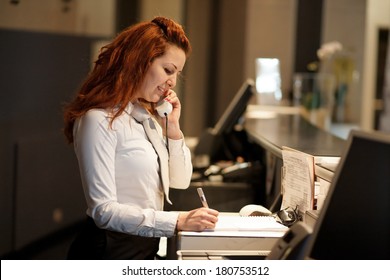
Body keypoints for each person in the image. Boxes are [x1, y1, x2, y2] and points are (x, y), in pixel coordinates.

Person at [63, 16, 219, 260]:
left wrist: (173, 129)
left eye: (177, 73)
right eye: (168, 70)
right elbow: (103, 212)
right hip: (109, 251)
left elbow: (180, 180)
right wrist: (177, 221)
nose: (172, 82)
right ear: (138, 62)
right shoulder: (97, 120)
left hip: (143, 247)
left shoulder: (143, 118)